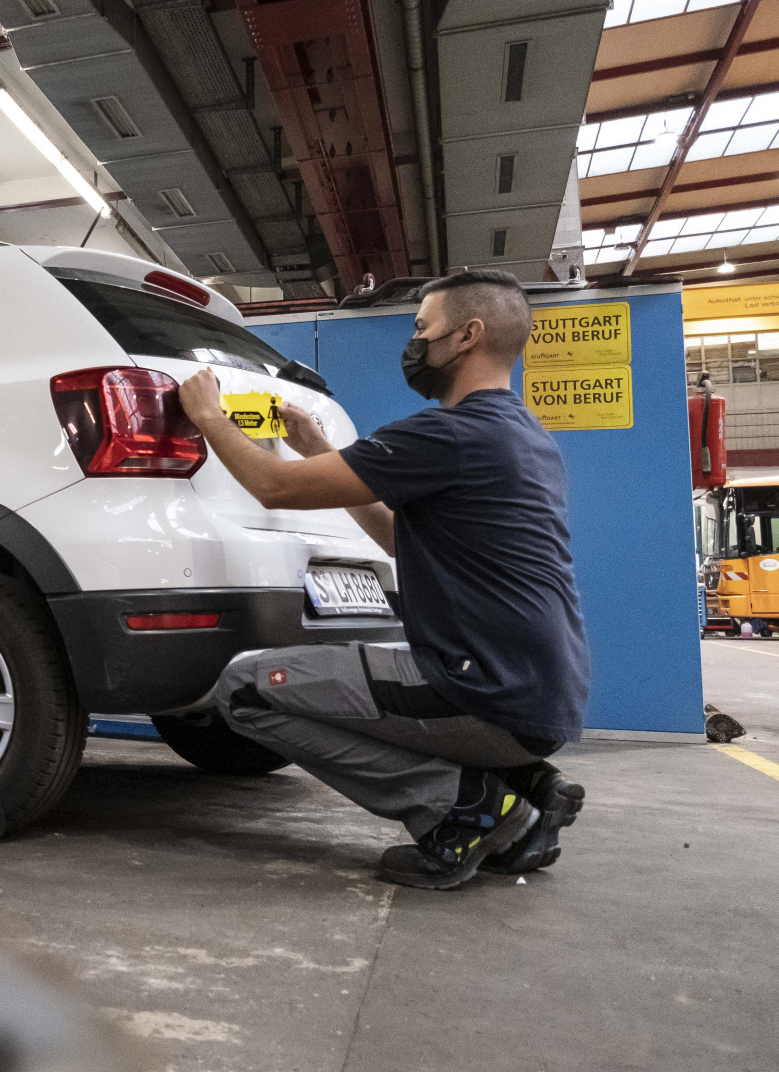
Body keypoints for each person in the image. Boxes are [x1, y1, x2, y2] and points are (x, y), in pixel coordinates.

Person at [174, 269, 589, 890]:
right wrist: (316, 445)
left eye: (424, 328)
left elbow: (273, 485)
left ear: (467, 336)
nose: (415, 343)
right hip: (543, 696)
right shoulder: (526, 437)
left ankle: (464, 808)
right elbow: (404, 540)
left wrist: (210, 417)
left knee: (244, 689)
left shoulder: (448, 435)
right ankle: (521, 788)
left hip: (483, 693)